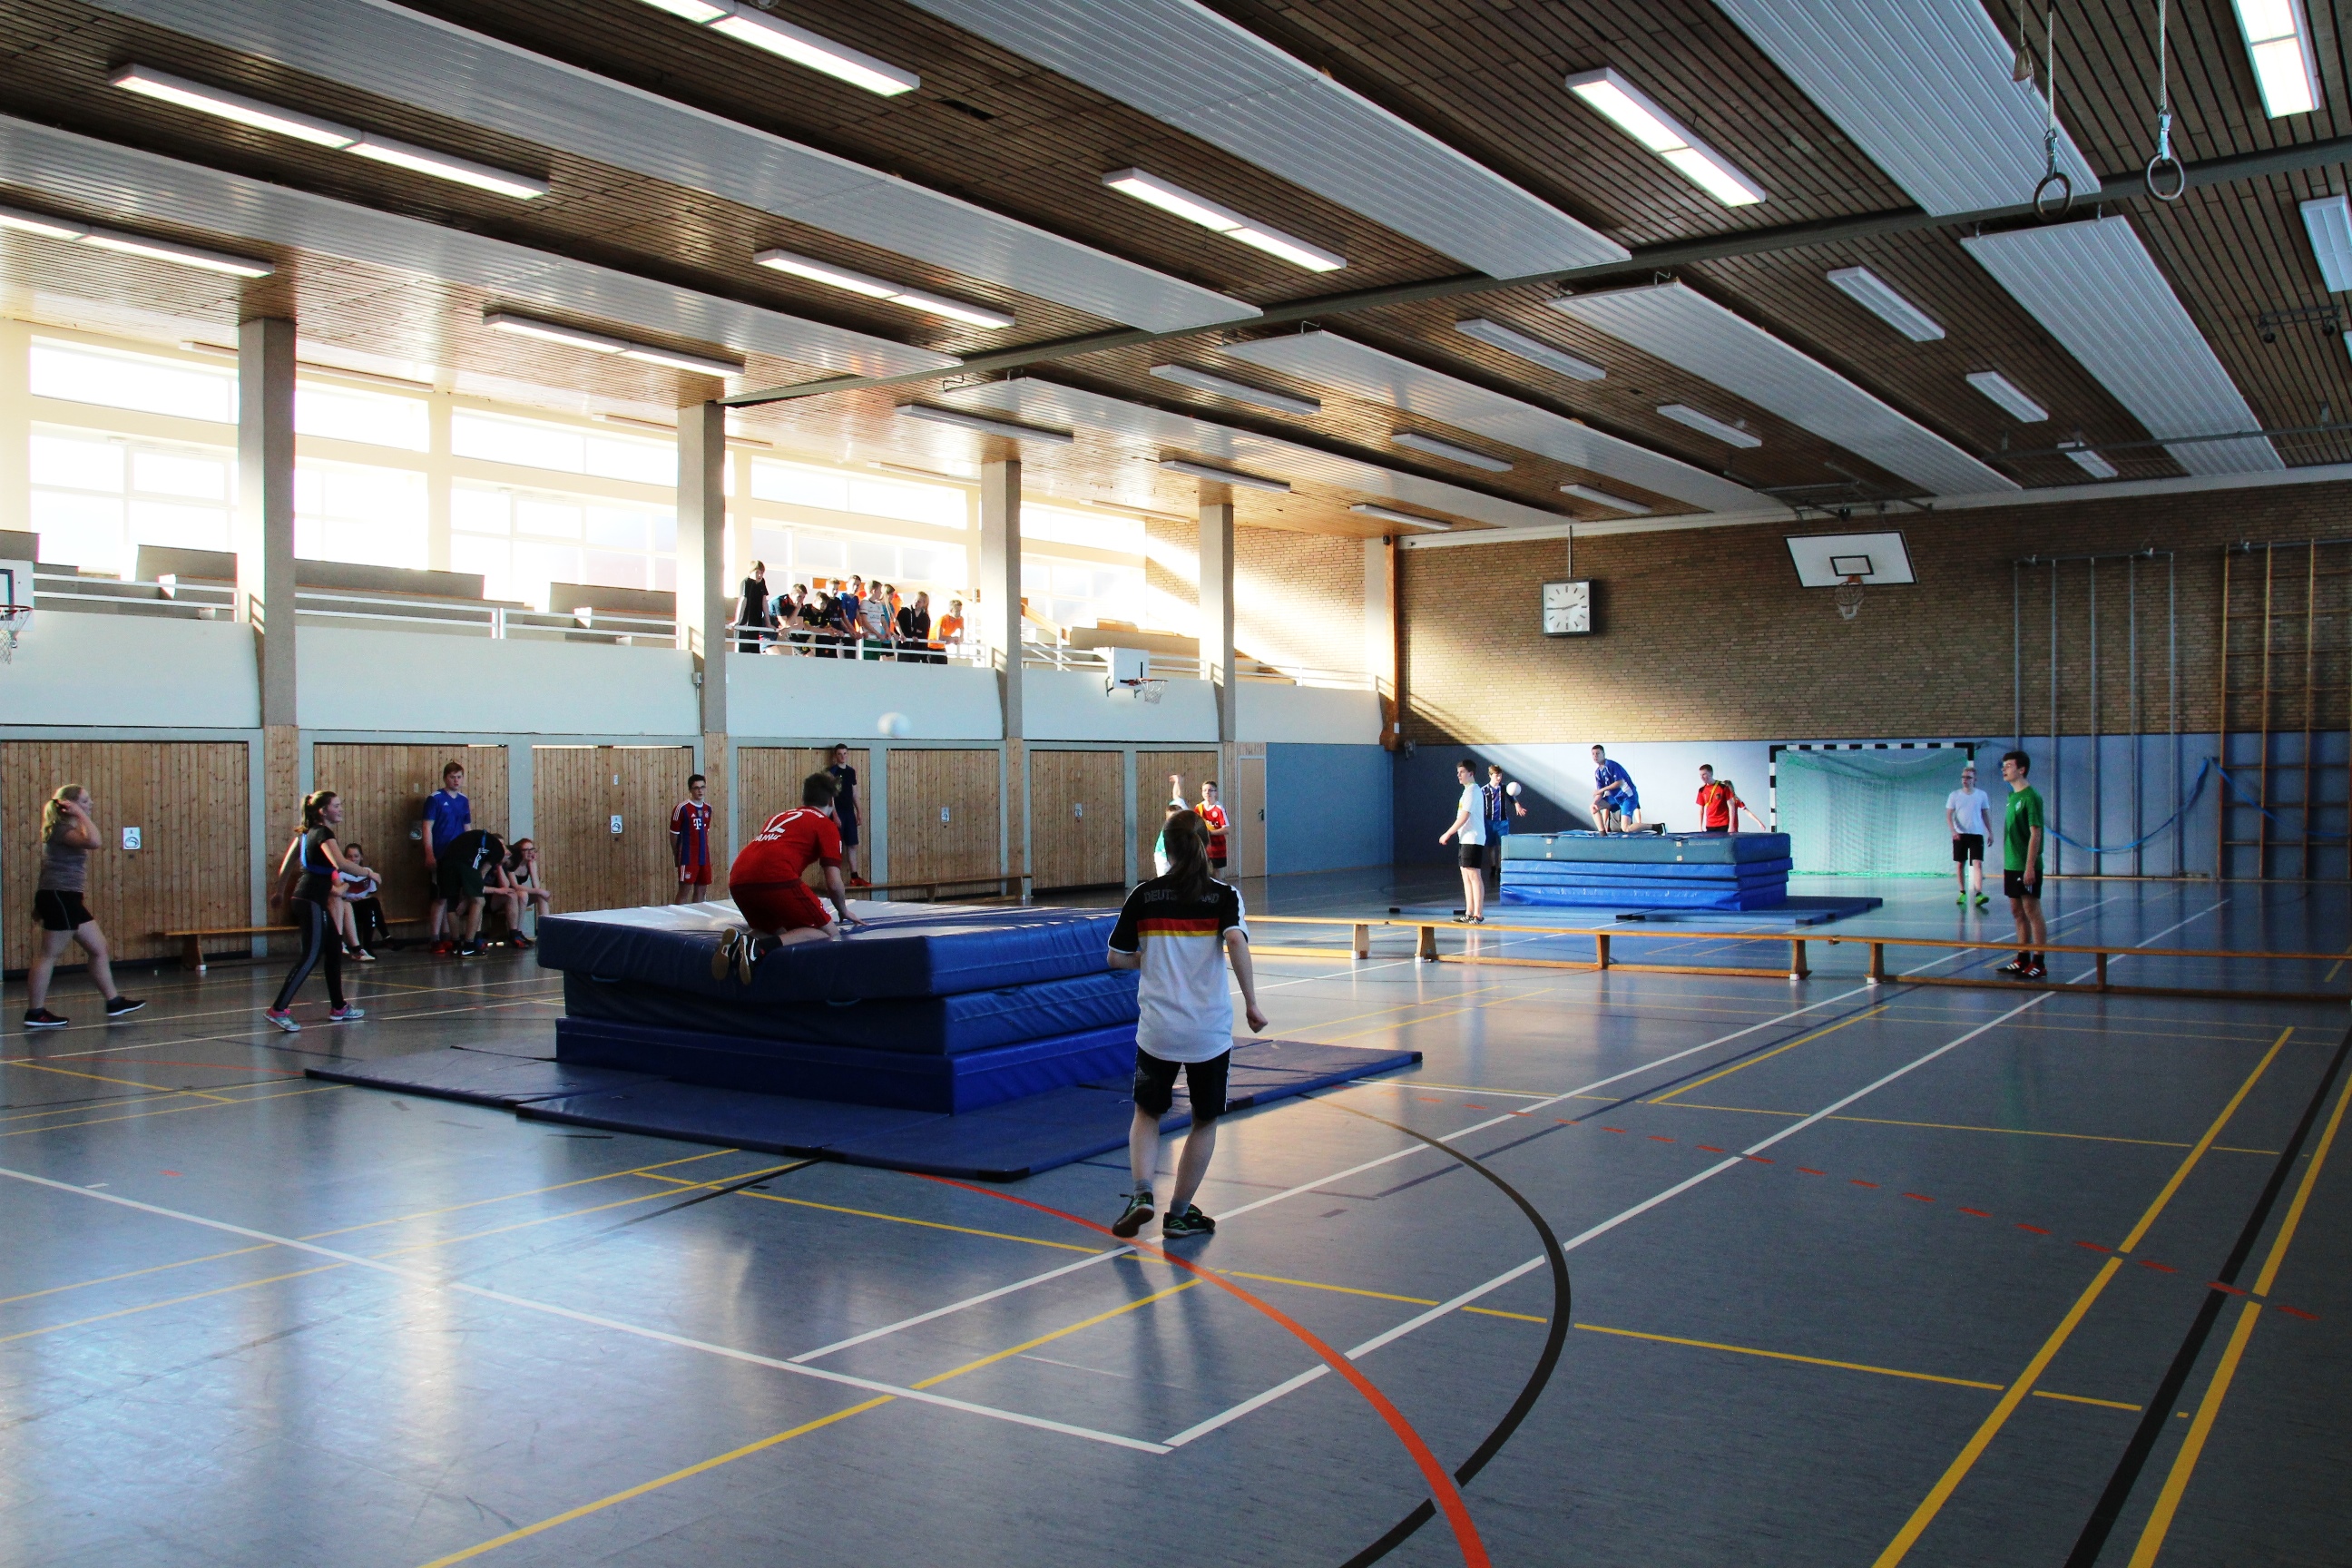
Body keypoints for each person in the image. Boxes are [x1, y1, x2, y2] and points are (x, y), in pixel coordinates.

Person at [1107, 809, 1269, 1243]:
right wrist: (1252, 1003)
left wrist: (1150, 959)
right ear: (1206, 845)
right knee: (1204, 1120)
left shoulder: (1144, 895)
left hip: (1157, 1031)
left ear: (1167, 848)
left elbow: (1115, 958)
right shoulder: (1225, 896)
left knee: (1147, 1114)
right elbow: (1235, 941)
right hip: (1207, 1033)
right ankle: (1179, 1214)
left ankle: (1142, 1193)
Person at [710, 771, 866, 982]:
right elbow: (833, 882)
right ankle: (759, 948)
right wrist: (843, 909)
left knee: (779, 931)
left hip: (739, 879)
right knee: (829, 934)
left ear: (805, 798)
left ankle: (738, 944)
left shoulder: (779, 817)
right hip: (776, 877)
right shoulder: (825, 825)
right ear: (831, 801)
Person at [21, 784, 142, 1028]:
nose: (91, 804)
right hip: (60, 897)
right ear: (69, 806)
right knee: (48, 954)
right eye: (85, 801)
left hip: (69, 898)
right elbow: (94, 841)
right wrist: (80, 813)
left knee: (99, 948)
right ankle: (35, 1012)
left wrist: (79, 813)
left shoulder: (67, 828)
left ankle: (114, 1001)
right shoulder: (61, 830)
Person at [263, 790, 364, 1033]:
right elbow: (340, 863)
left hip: (306, 898)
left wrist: (279, 892)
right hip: (310, 900)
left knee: (334, 949)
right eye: (336, 806)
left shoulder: (306, 834)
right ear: (323, 811)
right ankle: (278, 1009)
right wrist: (368, 873)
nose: (340, 809)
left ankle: (339, 1007)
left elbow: (286, 866)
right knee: (310, 956)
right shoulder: (323, 834)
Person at [1998, 750, 2047, 979]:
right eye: (2004, 765)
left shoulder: (2031, 797)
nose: (2004, 769)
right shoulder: (2012, 797)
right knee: (2016, 911)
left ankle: (2039, 961)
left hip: (2026, 865)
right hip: (2011, 864)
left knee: (2031, 911)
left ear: (2021, 769)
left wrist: (2029, 867)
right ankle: (2022, 957)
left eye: (2009, 765)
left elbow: (2036, 833)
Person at [420, 760, 470, 956]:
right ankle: (434, 938)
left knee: (452, 896)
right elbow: (427, 827)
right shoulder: (435, 799)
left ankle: (448, 935)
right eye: (452, 777)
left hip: (458, 855)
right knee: (440, 896)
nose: (456, 781)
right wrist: (429, 853)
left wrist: (470, 852)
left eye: (459, 777)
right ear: (445, 778)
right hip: (441, 853)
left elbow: (467, 827)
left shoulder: (463, 800)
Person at [434, 826, 507, 958]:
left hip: (445, 861)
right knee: (479, 901)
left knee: (452, 902)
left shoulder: (479, 840)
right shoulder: (499, 851)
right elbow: (480, 876)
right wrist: (466, 899)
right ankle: (469, 946)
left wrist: (463, 899)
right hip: (465, 861)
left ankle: (456, 945)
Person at [1438, 757, 1487, 922]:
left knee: (1474, 875)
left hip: (1473, 838)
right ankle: (1469, 912)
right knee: (1466, 875)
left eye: (1462, 772)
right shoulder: (1466, 791)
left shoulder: (1473, 791)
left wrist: (1448, 833)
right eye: (1458, 772)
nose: (1458, 775)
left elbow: (1464, 816)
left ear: (1471, 773)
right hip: (1465, 838)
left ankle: (1478, 914)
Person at [489, 838, 552, 947]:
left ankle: (546, 932)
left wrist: (532, 865)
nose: (530, 852)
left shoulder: (530, 863)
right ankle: (517, 932)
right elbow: (514, 886)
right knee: (524, 895)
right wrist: (540, 891)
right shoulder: (513, 863)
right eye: (526, 850)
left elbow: (536, 886)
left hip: (517, 894)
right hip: (508, 894)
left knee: (541, 896)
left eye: (532, 849)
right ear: (519, 852)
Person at [1946, 763, 1994, 906]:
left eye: (1968, 777)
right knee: (1960, 863)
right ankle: (1962, 892)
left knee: (1977, 863)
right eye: (1963, 777)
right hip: (1960, 835)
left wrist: (1990, 832)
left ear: (1975, 779)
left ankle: (1979, 893)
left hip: (1976, 834)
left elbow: (1985, 814)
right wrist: (1953, 831)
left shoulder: (1981, 795)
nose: (1965, 780)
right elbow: (1949, 815)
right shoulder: (1954, 795)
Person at [337, 841, 385, 960]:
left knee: (371, 907)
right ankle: (386, 937)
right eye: (349, 856)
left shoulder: (367, 871)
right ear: (344, 858)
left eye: (356, 856)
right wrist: (349, 897)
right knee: (372, 904)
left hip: (362, 906)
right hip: (346, 907)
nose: (353, 859)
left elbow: (370, 892)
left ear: (361, 857)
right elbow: (338, 896)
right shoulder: (341, 874)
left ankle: (367, 947)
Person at [671, 773, 714, 904]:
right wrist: (677, 854)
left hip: (703, 856)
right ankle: (679, 916)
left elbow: (705, 832)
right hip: (688, 856)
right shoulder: (682, 808)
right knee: (684, 890)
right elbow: (673, 834)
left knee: (701, 890)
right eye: (696, 788)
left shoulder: (708, 809)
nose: (700, 791)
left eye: (702, 787)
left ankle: (697, 916)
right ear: (690, 790)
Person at [828, 742, 867, 886]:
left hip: (849, 812)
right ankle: (835, 878)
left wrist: (859, 812)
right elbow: (830, 795)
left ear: (847, 754)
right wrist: (834, 815)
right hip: (838, 812)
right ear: (835, 756)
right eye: (839, 754)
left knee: (852, 844)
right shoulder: (832, 772)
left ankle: (854, 876)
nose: (842, 756)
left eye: (845, 754)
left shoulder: (851, 771)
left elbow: (854, 793)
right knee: (836, 846)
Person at [1483, 762, 1525, 885]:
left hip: (1503, 822)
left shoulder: (1505, 788)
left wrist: (1517, 806)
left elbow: (1513, 799)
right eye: (1496, 775)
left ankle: (1500, 869)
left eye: (1500, 775)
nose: (1499, 778)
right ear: (1490, 775)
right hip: (1489, 822)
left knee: (1502, 846)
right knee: (1491, 846)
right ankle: (1493, 866)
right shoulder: (1484, 790)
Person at [1591, 745, 1641, 834]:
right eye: (1593, 754)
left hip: (1627, 796)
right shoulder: (1598, 772)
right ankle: (1602, 834)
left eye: (1598, 753)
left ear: (1603, 754)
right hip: (1615, 798)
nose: (1595, 756)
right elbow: (1600, 793)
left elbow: (1619, 783)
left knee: (1626, 828)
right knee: (1593, 808)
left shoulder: (1611, 765)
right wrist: (1594, 803)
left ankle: (1656, 827)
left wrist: (1601, 790)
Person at [1696, 764, 1743, 835]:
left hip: (1723, 824)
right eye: (1700, 775)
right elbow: (1701, 810)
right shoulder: (1701, 790)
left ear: (1711, 773)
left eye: (1704, 774)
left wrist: (1731, 826)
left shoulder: (1723, 787)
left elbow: (1731, 806)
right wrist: (1700, 827)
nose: (1702, 777)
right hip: (1710, 825)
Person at [736, 560, 770, 653]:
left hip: (756, 622)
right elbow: (743, 600)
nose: (760, 575)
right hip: (745, 622)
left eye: (762, 573)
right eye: (757, 572)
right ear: (750, 572)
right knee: (743, 650)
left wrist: (768, 622)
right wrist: (738, 620)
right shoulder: (746, 582)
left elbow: (764, 602)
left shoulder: (762, 582)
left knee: (755, 650)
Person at [1196, 780, 1230, 872]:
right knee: (1202, 870)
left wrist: (1210, 833)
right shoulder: (1199, 808)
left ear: (1216, 793)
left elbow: (1226, 829)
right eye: (1205, 790)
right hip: (1203, 846)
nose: (1207, 793)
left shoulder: (1219, 809)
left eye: (1210, 790)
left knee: (1215, 872)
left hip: (1217, 847)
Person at [896, 590, 934, 662]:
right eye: (915, 600)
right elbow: (899, 626)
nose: (916, 603)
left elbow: (924, 633)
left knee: (914, 667)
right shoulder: (905, 611)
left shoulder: (925, 617)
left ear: (924, 604)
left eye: (919, 601)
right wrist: (910, 635)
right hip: (904, 647)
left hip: (917, 649)